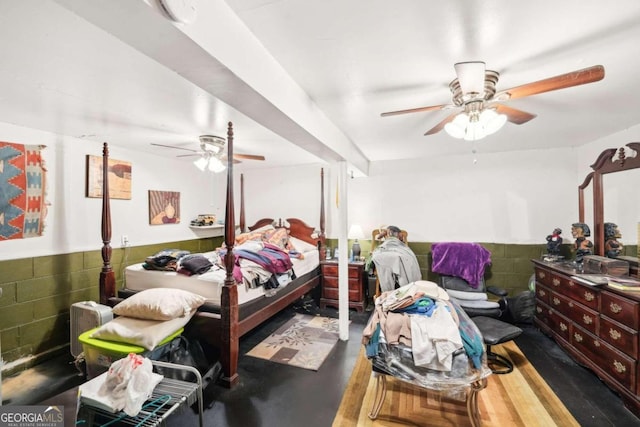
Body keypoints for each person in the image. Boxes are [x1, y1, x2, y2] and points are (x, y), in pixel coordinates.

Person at [371, 225, 421, 293]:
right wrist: (383, 232)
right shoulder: (387, 234)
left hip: (396, 256)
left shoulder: (399, 239)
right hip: (390, 254)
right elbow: (379, 237)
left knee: (402, 258)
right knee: (399, 258)